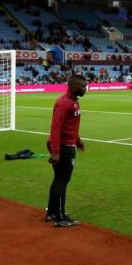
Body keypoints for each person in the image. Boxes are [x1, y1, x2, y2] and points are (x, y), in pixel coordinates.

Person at [45, 74, 87, 227]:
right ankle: (60, 217)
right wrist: (56, 152)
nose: (85, 89)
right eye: (82, 86)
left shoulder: (72, 102)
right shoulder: (64, 103)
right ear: (73, 86)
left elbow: (69, 127)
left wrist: (78, 140)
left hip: (65, 145)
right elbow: (56, 127)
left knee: (58, 179)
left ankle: (51, 211)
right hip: (63, 148)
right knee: (62, 180)